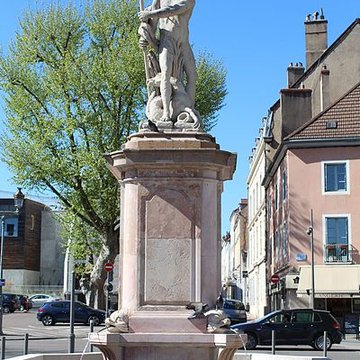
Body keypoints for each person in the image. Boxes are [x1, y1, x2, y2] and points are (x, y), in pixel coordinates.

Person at [138, 0, 197, 123]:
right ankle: (166, 113)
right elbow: (151, 23)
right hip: (167, 41)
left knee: (192, 76)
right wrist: (145, 36)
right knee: (165, 74)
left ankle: (189, 112)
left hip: (183, 43)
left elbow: (174, 9)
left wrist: (150, 14)